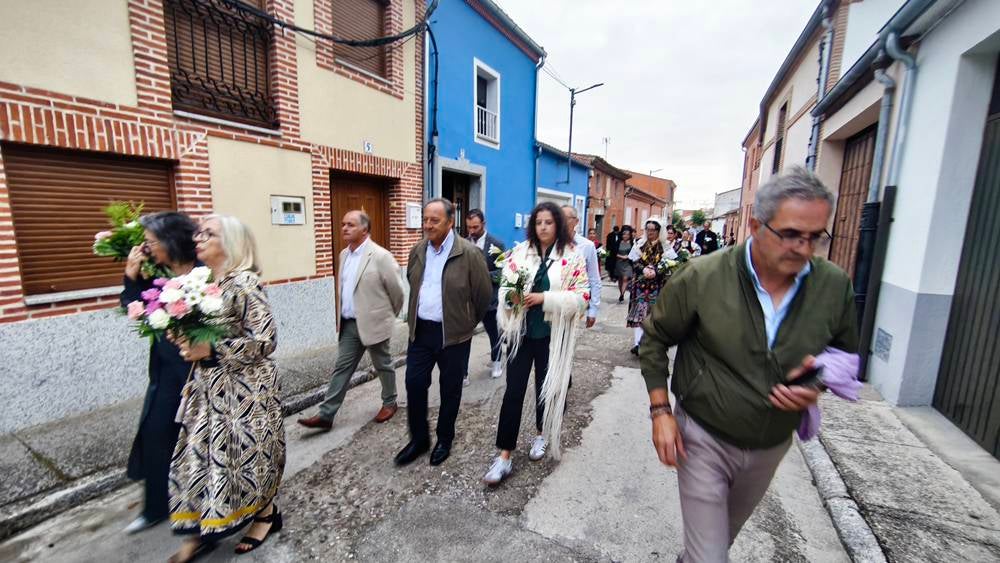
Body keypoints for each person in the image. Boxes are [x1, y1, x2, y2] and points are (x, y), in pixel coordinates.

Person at [639, 167, 856, 562]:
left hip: (771, 445)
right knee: (710, 557)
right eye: (790, 234)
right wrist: (660, 412)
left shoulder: (834, 285)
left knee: (717, 543)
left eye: (815, 237)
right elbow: (655, 338)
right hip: (702, 436)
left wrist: (818, 381)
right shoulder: (703, 277)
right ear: (756, 225)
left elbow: (844, 352)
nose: (803, 248)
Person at [170, 214, 285, 560]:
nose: (198, 238)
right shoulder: (202, 281)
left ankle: (266, 515)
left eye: (209, 233)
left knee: (251, 457)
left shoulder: (244, 283)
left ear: (231, 243)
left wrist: (213, 350)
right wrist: (184, 339)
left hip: (246, 392)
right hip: (207, 388)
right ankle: (200, 527)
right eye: (199, 233)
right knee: (203, 455)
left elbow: (265, 340)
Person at [483, 203, 589, 484]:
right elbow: (507, 287)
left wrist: (545, 299)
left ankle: (541, 434)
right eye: (538, 222)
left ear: (559, 225)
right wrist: (512, 298)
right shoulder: (521, 253)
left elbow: (582, 297)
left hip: (552, 336)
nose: (543, 227)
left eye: (548, 222)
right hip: (522, 333)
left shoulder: (572, 256)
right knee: (513, 392)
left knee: (547, 388)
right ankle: (504, 455)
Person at [395, 199, 493, 467]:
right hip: (421, 332)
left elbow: (483, 294)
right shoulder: (418, 250)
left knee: (450, 389)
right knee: (414, 384)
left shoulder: (469, 253)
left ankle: (444, 439)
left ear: (450, 222)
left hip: (453, 335)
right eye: (425, 219)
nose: (427, 225)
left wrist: (466, 322)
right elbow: (413, 282)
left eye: (434, 220)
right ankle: (419, 440)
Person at [120, 212, 198, 534]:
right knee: (155, 432)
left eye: (151, 242)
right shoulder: (157, 273)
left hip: (198, 371)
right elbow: (135, 308)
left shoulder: (203, 274)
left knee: (198, 442)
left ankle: (205, 512)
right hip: (166, 371)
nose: (146, 248)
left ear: (171, 241)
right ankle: (155, 507)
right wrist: (131, 277)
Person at [297, 210, 405, 432]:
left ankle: (390, 402)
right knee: (342, 368)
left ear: (364, 229)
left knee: (383, 364)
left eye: (351, 225)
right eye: (343, 224)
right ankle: (326, 414)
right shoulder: (343, 255)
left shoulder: (380, 256)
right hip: (349, 324)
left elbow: (397, 291)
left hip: (374, 323)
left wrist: (387, 316)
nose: (345, 228)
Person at [465, 208, 506, 382]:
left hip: (490, 299)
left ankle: (497, 362)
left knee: (494, 334)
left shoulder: (497, 245)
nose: (472, 231)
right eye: (469, 227)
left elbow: (501, 274)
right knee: (464, 338)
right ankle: (463, 373)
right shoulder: (464, 243)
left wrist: (481, 276)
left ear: (483, 224)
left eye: (475, 227)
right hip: (469, 302)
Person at [626, 219, 669, 355]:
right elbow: (633, 261)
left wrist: (656, 270)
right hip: (641, 285)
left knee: (653, 316)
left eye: (652, 230)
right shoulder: (640, 244)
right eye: (647, 229)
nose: (649, 232)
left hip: (657, 286)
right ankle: (638, 344)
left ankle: (650, 344)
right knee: (639, 314)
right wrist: (643, 269)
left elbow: (670, 263)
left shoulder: (665, 246)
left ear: (658, 231)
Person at [562, 205, 601, 329]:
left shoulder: (587, 246)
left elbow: (594, 278)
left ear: (576, 221)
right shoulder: (551, 243)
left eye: (566, 218)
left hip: (574, 301)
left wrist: (593, 310)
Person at [614, 226, 635, 303]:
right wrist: (621, 256)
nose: (625, 236)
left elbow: (634, 253)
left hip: (628, 263)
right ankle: (621, 293)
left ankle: (622, 295)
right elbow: (614, 253)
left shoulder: (632, 243)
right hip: (619, 263)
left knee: (625, 278)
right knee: (620, 279)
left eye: (627, 234)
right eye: (624, 234)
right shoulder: (618, 243)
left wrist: (628, 257)